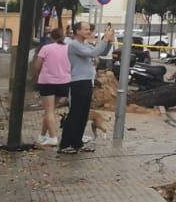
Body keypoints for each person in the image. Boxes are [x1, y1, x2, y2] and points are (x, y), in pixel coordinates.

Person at [59, 21, 114, 154]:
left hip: (87, 82)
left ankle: (77, 142)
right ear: (77, 31)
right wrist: (104, 40)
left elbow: (99, 52)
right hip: (78, 82)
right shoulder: (74, 45)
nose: (89, 32)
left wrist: (109, 41)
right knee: (75, 114)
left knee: (83, 115)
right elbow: (93, 53)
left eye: (89, 29)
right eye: (85, 29)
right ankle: (65, 144)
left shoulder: (85, 45)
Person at [29, 25, 70, 147]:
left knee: (49, 110)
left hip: (47, 82)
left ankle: (53, 137)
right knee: (50, 110)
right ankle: (42, 136)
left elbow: (37, 65)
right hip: (64, 82)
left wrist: (35, 77)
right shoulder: (69, 48)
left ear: (51, 36)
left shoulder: (46, 48)